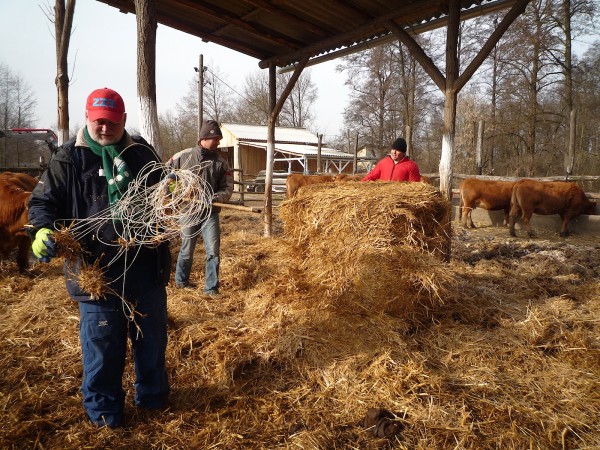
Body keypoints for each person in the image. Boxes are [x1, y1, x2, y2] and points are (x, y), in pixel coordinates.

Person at [28, 88, 171, 428]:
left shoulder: (141, 153)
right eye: (98, 121)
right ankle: (105, 414)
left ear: (122, 120)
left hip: (145, 268)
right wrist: (40, 231)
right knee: (103, 349)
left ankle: (153, 401)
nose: (105, 128)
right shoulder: (69, 159)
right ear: (89, 118)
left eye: (112, 121)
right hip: (97, 273)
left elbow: (163, 193)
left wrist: (175, 193)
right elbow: (42, 203)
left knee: (151, 343)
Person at [167, 119, 233, 294]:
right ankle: (181, 281)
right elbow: (166, 176)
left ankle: (211, 288)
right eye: (216, 138)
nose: (218, 142)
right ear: (205, 137)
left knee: (213, 250)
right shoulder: (184, 156)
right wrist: (175, 194)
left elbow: (228, 187)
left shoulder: (221, 162)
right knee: (187, 248)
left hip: (210, 212)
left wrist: (214, 198)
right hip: (188, 210)